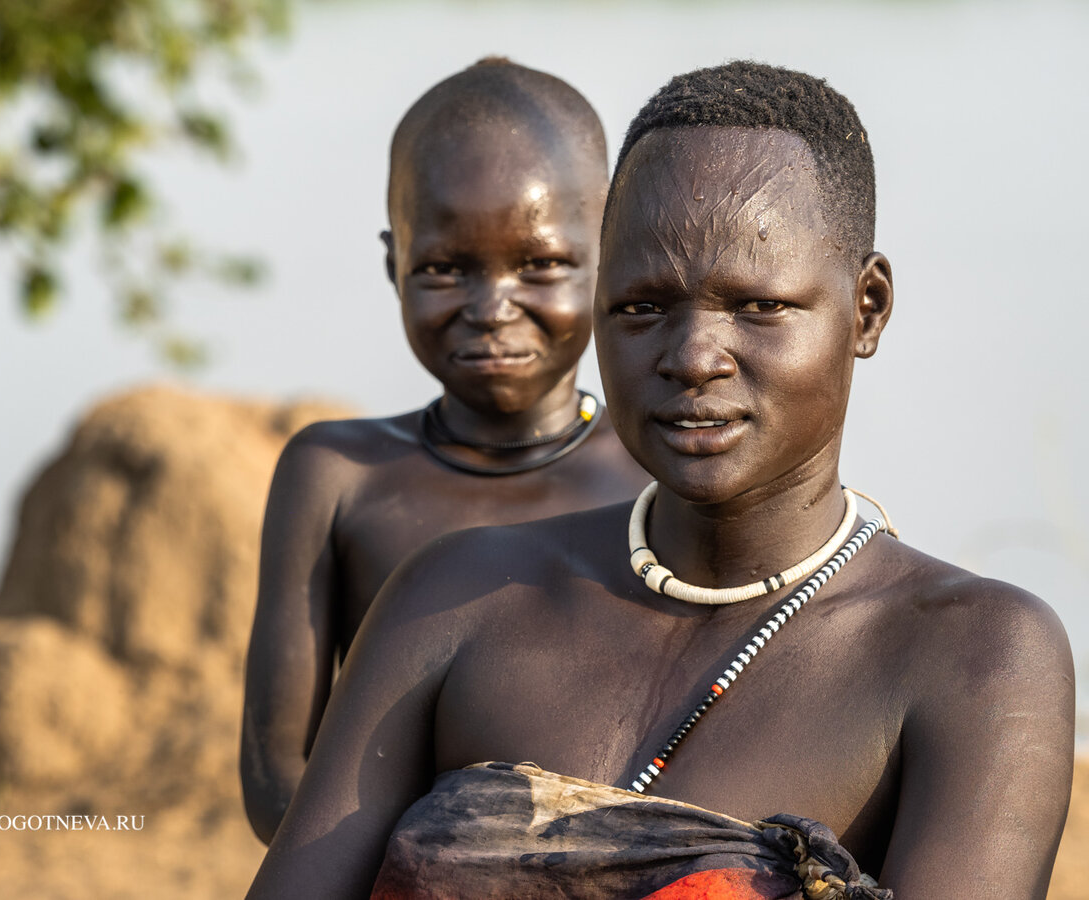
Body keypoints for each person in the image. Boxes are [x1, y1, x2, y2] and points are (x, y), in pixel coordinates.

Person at [247, 62, 1075, 898]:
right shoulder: (453, 596)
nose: (690, 358)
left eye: (758, 306)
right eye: (642, 307)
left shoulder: (975, 658)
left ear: (866, 308)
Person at [240, 58, 651, 844]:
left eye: (541, 265)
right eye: (444, 268)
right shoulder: (337, 478)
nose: (492, 307)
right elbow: (274, 773)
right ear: (393, 262)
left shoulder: (652, 476)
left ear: (607, 253)